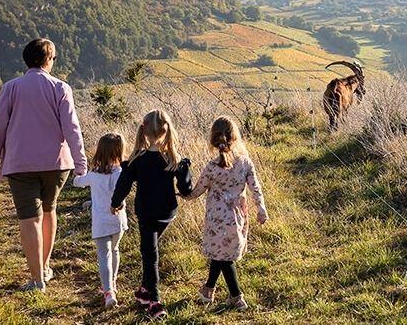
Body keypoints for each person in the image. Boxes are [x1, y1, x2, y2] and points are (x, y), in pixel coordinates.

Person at [0, 38, 87, 292]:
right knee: (49, 211)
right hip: (56, 163)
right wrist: (80, 162)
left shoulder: (10, 88)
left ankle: (37, 279)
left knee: (29, 218)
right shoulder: (61, 88)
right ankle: (46, 266)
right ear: (48, 59)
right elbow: (72, 129)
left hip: (20, 164)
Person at [110, 110, 192, 319]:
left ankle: (154, 301)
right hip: (167, 212)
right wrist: (185, 188)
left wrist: (115, 203)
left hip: (146, 212)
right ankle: (144, 291)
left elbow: (123, 185)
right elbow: (184, 188)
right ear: (166, 131)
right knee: (150, 250)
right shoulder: (174, 159)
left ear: (144, 130)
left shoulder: (138, 159)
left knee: (150, 255)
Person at [188, 116, 268, 311]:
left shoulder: (212, 167)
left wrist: (180, 192)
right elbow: (255, 188)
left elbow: (196, 192)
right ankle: (208, 290)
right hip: (237, 216)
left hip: (216, 219)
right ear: (235, 137)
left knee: (223, 256)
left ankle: (236, 296)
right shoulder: (245, 163)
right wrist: (261, 208)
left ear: (214, 140)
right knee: (223, 253)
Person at [73, 133, 129, 308]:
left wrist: (79, 171)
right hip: (118, 220)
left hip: (101, 223)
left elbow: (77, 182)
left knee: (103, 256)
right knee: (115, 250)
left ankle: (108, 291)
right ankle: (113, 283)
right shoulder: (121, 172)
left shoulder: (93, 175)